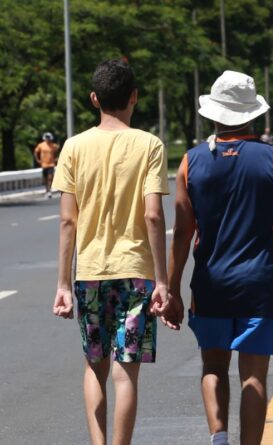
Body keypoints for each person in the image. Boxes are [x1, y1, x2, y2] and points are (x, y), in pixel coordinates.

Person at [165, 70, 273, 445]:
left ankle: (219, 438)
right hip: (261, 284)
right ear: (252, 115)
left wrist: (173, 289)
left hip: (210, 283)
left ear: (214, 114)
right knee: (254, 377)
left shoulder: (190, 162)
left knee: (212, 366)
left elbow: (181, 233)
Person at [51, 59, 171, 445]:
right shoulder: (149, 145)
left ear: (93, 99)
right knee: (126, 372)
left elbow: (68, 222)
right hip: (136, 272)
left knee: (95, 367)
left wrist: (63, 283)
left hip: (89, 272)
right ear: (134, 97)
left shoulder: (73, 147)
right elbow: (153, 215)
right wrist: (163, 280)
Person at [34, 132, 60, 198]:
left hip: (51, 164)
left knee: (50, 178)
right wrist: (37, 160)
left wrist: (56, 158)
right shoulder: (41, 145)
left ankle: (49, 191)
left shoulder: (54, 146)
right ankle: (47, 190)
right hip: (44, 164)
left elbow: (58, 152)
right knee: (45, 179)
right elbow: (36, 152)